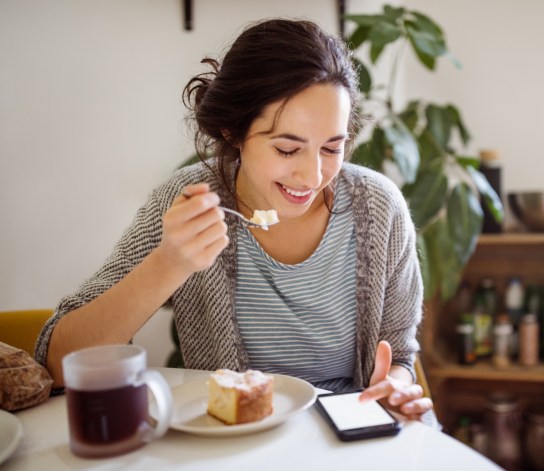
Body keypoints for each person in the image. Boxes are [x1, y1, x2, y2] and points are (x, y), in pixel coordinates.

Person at [35, 18, 432, 420]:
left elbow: (398, 355)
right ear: (233, 132)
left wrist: (394, 388)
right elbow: (59, 364)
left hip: (353, 435)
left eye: (331, 148)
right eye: (287, 149)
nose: (313, 176)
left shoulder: (377, 207)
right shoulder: (189, 201)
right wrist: (168, 265)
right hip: (232, 445)